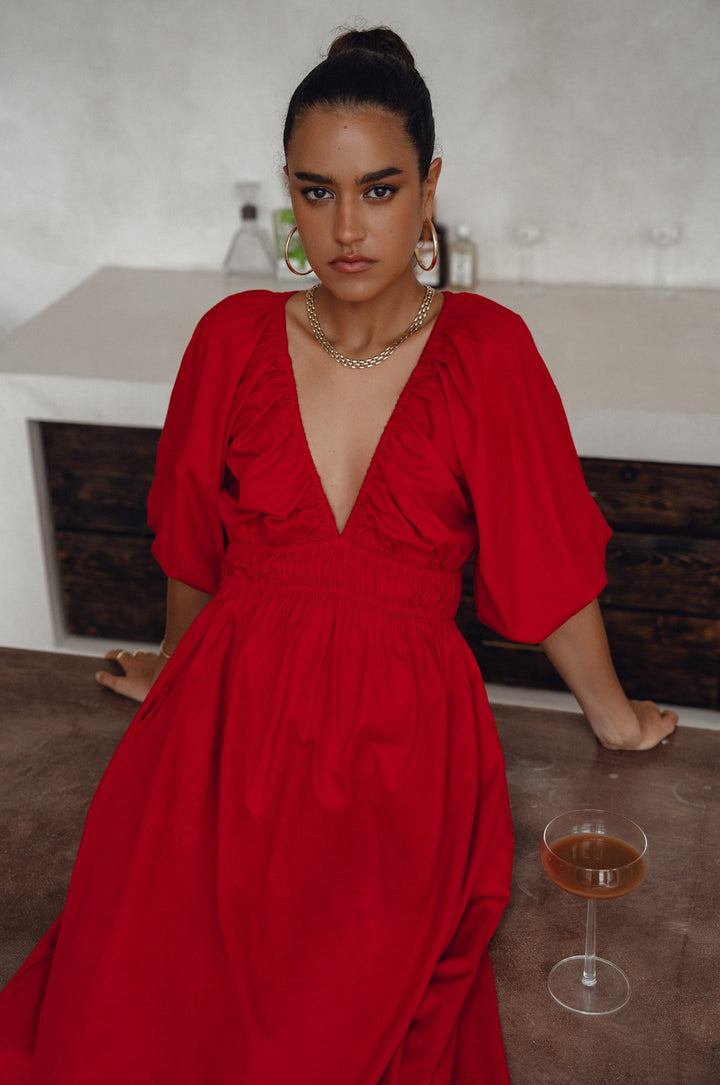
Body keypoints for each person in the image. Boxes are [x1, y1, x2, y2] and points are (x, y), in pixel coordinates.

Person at [0, 26, 677, 1084]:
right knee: (133, 1013)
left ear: (430, 186)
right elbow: (193, 543)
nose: (347, 228)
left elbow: (545, 563)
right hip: (224, 728)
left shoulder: (490, 351)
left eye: (380, 189)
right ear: (289, 193)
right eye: (317, 192)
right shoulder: (229, 340)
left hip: (401, 747)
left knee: (327, 1020)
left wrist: (616, 716)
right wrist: (176, 668)